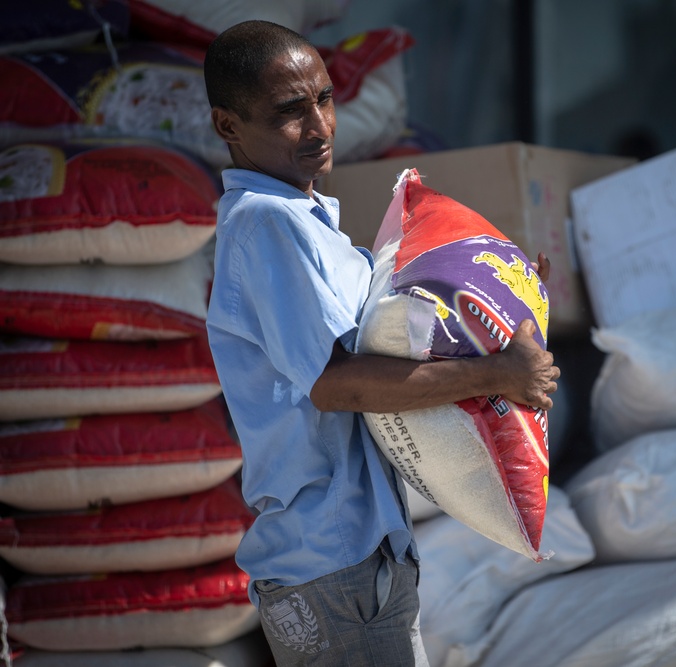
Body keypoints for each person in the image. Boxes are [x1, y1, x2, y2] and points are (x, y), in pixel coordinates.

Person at [202, 20, 560, 667]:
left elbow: (394, 340)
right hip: (332, 566)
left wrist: (503, 303)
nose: (319, 126)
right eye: (290, 111)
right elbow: (341, 384)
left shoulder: (311, 225)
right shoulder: (266, 224)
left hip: (352, 561)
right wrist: (499, 373)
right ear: (228, 126)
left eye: (324, 100)